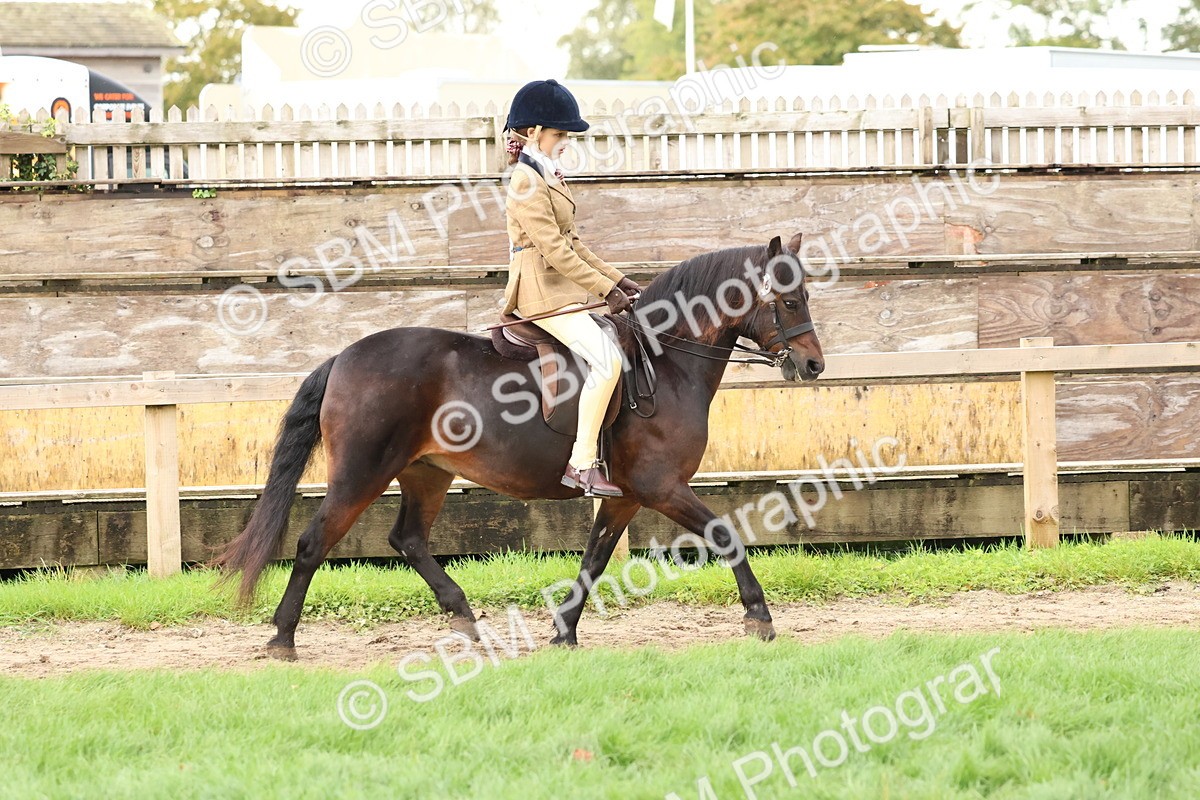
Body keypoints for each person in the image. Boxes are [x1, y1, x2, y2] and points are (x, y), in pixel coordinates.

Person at [501, 78, 641, 498]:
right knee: (607, 362)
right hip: (540, 290)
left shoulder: (547, 174)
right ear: (533, 132)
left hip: (561, 287)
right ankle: (581, 464)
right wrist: (605, 290)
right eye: (559, 134)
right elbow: (555, 250)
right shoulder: (526, 182)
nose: (565, 142)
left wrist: (617, 279)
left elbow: (575, 243)